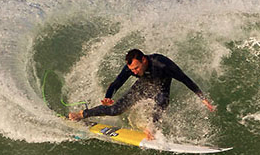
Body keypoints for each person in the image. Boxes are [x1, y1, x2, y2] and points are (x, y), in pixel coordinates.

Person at [68, 48, 216, 138]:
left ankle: (150, 131)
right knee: (114, 110)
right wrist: (108, 96)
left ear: (144, 60)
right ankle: (82, 114)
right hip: (142, 88)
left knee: (159, 108)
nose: (134, 72)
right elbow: (117, 83)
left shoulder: (162, 64)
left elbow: (184, 79)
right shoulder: (130, 68)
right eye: (132, 70)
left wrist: (202, 99)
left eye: (136, 68)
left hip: (161, 89)